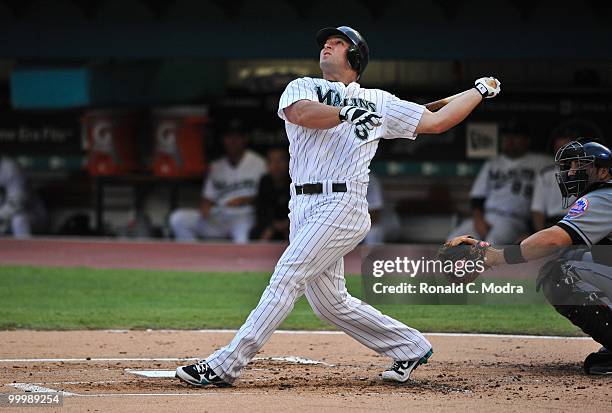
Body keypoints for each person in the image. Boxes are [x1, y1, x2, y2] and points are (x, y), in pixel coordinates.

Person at [175, 25, 501, 387]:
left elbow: (437, 121)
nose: (328, 45)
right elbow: (302, 114)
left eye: (338, 43)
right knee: (330, 304)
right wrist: (347, 112)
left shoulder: (380, 101)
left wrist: (478, 91)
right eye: (326, 42)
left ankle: (225, 365)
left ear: (355, 57)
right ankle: (410, 345)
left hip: (343, 203)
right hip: (301, 204)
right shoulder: (302, 86)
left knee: (288, 276)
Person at [447, 139, 612, 375]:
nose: (572, 172)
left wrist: (495, 257)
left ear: (603, 171)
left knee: (559, 275)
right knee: (575, 257)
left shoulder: (602, 197)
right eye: (571, 166)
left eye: (580, 166)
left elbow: (554, 240)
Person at [447, 122, 549, 244]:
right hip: (487, 216)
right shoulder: (493, 163)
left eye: (515, 137)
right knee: (453, 241)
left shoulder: (541, 162)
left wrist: (533, 231)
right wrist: (479, 220)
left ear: (527, 140)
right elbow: (477, 197)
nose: (510, 141)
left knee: (492, 244)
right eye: (506, 137)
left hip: (514, 219)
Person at [169, 120, 266, 244]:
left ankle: (239, 262)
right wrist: (205, 207)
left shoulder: (259, 163)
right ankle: (195, 258)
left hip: (244, 216)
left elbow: (266, 195)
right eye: (229, 137)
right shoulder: (216, 166)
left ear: (245, 139)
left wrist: (245, 199)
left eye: (237, 137)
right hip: (220, 215)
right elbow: (207, 199)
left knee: (243, 241)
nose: (232, 141)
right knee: (178, 219)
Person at [531, 134, 573, 231]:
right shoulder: (545, 174)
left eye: (566, 149)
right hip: (553, 223)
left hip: (578, 222)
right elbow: (537, 209)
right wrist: (541, 234)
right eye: (559, 149)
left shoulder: (587, 173)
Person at [0, 155, 46, 238]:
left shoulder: (9, 167)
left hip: (30, 214)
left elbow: (17, 202)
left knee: (19, 220)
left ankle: (27, 249)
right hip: (3, 219)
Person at [250, 147, 291, 241]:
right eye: (272, 161)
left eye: (280, 161)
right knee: (256, 233)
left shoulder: (295, 181)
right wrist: (273, 225)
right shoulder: (265, 181)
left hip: (291, 223)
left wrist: (286, 224)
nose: (276, 166)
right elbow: (261, 209)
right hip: (270, 225)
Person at [363, 173, 384, 244]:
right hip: (353, 224)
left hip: (372, 224)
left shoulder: (370, 179)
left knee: (372, 233)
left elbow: (375, 212)